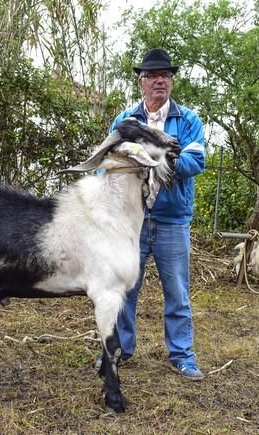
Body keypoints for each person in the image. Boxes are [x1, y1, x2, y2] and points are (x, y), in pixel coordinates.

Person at [98, 48, 206, 379]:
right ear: (142, 82)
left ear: (171, 81)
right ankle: (121, 349)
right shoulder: (126, 121)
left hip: (173, 221)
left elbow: (194, 162)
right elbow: (107, 164)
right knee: (126, 289)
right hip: (133, 223)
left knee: (177, 292)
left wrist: (150, 155)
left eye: (166, 75)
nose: (161, 80)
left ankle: (182, 355)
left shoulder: (188, 120)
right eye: (153, 75)